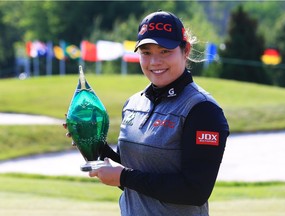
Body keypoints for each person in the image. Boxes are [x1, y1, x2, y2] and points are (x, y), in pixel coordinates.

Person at [66, 10, 229, 216]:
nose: (154, 62)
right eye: (146, 52)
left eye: (165, 51)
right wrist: (95, 146)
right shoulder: (134, 103)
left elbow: (195, 191)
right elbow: (140, 179)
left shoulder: (202, 110)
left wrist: (123, 177)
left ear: (185, 50)